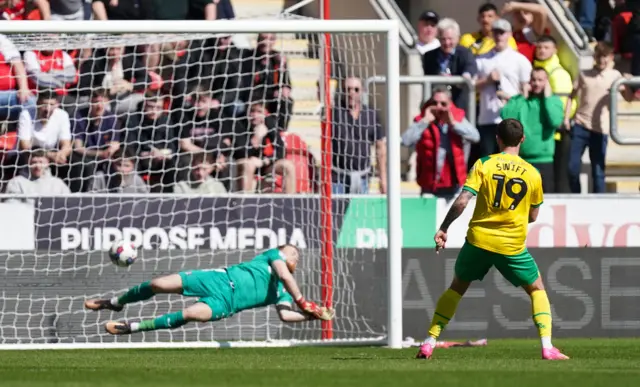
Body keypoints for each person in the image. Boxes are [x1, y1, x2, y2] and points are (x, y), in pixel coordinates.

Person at [415, 118, 569, 361]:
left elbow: (464, 200)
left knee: (456, 287)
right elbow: (533, 215)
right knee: (537, 289)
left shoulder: (484, 164)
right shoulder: (532, 173)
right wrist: (511, 216)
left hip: (479, 241)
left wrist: (444, 227)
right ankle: (547, 347)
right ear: (522, 140)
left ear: (497, 138)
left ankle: (429, 342)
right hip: (511, 245)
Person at [84, 245, 335, 335]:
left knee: (190, 314)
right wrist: (304, 301)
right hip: (217, 280)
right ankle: (115, 301)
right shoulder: (273, 258)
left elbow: (285, 315)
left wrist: (309, 316)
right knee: (158, 284)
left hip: (227, 304)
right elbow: (283, 273)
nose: (296, 256)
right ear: (282, 250)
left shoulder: (283, 291)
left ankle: (133, 327)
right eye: (293, 251)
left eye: (298, 256)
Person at [566, 42, 633, 194]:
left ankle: (599, 204)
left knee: (598, 171)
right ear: (594, 57)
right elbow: (572, 95)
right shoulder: (584, 73)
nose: (601, 60)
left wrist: (628, 83)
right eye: (598, 56)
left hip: (600, 128)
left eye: (604, 57)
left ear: (610, 57)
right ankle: (577, 198)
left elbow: (628, 98)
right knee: (572, 168)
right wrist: (566, 118)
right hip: (580, 125)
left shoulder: (615, 76)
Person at [401, 88, 479, 200]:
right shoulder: (423, 119)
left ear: (450, 104)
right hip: (428, 184)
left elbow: (475, 137)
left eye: (443, 104)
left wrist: (453, 123)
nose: (438, 107)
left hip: (453, 183)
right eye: (434, 103)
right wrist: (425, 121)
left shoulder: (456, 117)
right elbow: (405, 140)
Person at [474, 19, 531, 161]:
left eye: (502, 32)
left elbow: (526, 90)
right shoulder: (482, 59)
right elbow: (471, 86)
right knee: (487, 161)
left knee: (510, 160)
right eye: (496, 32)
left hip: (511, 118)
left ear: (509, 34)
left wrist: (515, 104)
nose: (499, 36)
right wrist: (487, 80)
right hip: (487, 117)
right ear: (492, 34)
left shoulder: (519, 59)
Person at [500, 68, 564, 192]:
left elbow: (555, 121)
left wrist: (547, 98)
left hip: (545, 160)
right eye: (534, 80)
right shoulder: (519, 100)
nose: (537, 83)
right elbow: (506, 119)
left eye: (541, 80)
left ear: (547, 82)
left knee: (545, 203)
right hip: (522, 161)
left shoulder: (554, 101)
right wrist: (522, 97)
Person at [422, 18, 477, 113]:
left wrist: (461, 78)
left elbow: (470, 68)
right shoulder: (429, 56)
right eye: (443, 39)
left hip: (458, 106)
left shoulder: (465, 53)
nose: (447, 43)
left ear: (458, 38)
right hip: (436, 107)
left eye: (450, 39)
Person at [4, 149, 70, 201]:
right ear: (28, 163)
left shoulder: (58, 183)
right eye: (34, 162)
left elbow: (68, 204)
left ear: (48, 163)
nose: (37, 166)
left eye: (41, 162)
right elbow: (12, 206)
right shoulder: (16, 182)